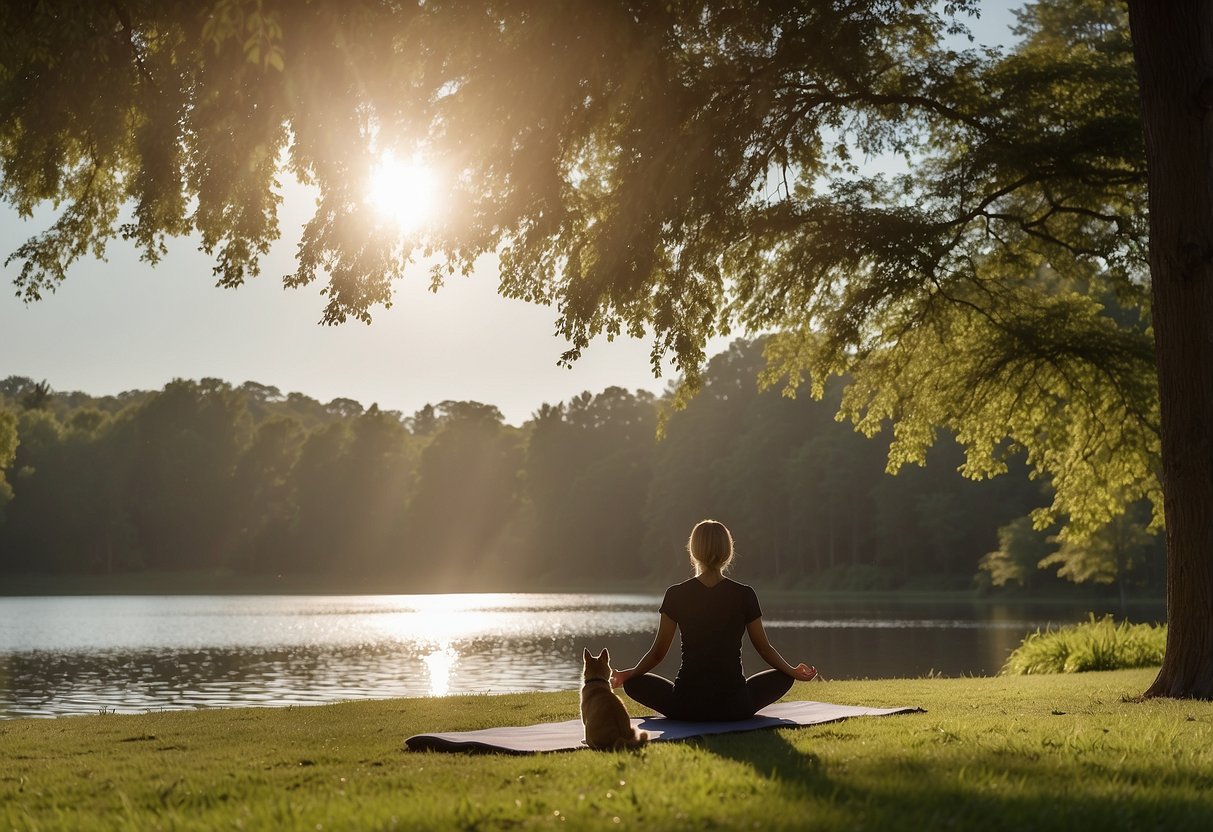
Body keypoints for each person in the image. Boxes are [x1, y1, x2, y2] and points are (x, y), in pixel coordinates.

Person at [610, 519, 817, 721]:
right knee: (783, 677)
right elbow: (764, 648)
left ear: (693, 551)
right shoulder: (744, 594)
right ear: (728, 552)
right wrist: (792, 671)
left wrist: (630, 674)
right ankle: (742, 700)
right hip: (735, 705)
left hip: (686, 705)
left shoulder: (676, 594)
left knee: (633, 684)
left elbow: (657, 654)